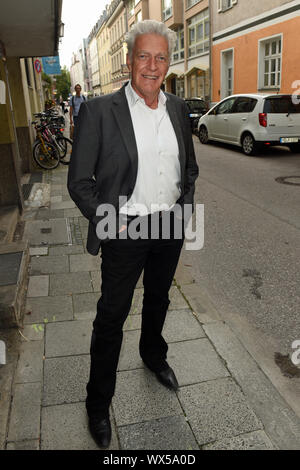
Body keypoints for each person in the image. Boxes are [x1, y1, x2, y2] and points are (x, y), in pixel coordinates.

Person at [67, 20, 199, 449]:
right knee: (112, 316)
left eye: (161, 57)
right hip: (123, 230)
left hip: (168, 225)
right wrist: (110, 221)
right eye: (144, 55)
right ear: (129, 60)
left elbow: (190, 170)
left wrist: (182, 209)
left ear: (168, 64)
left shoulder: (178, 108)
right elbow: (79, 182)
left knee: (159, 298)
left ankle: (153, 356)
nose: (152, 65)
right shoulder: (100, 110)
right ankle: (97, 404)